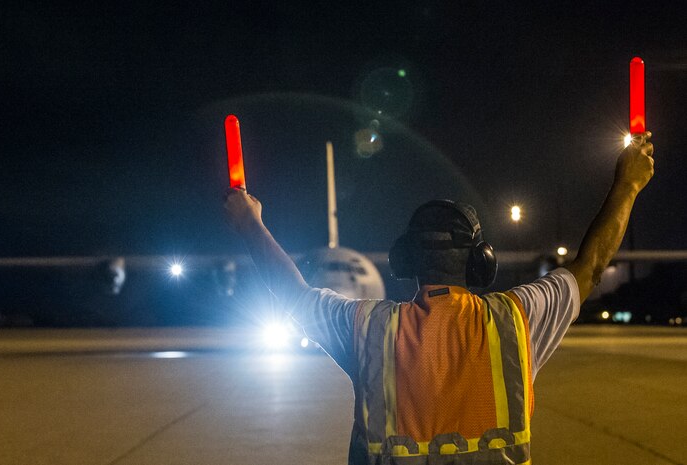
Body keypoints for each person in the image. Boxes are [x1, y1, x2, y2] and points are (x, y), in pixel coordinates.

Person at [223, 132, 654, 464]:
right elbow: (591, 265)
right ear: (480, 262)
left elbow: (292, 295)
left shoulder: (369, 331)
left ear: (404, 261)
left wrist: (250, 225)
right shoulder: (516, 321)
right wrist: (628, 185)